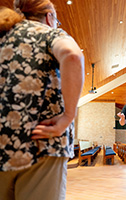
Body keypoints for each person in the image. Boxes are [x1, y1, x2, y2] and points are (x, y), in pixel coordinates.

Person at [0, 0, 84, 199]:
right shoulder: (48, 33)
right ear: (49, 17)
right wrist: (68, 116)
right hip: (41, 143)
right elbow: (72, 55)